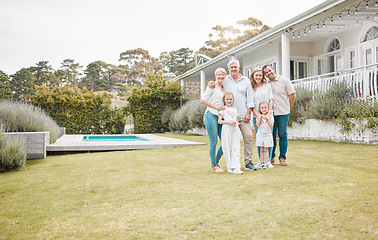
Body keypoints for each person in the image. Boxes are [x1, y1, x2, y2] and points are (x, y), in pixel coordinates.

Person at [208, 59, 256, 171]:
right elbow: (217, 83)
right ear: (229, 69)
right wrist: (211, 83)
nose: (234, 69)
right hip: (228, 117)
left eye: (235, 67)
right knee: (226, 141)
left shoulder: (246, 81)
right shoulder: (225, 80)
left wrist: (249, 113)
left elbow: (250, 99)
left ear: (239, 68)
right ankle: (215, 163)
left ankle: (248, 162)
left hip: (243, 116)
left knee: (248, 137)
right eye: (231, 67)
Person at [262, 65, 296, 166]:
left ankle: (282, 158)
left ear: (273, 69)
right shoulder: (266, 84)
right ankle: (271, 157)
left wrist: (288, 107)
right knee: (271, 135)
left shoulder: (284, 80)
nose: (269, 73)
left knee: (282, 134)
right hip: (271, 113)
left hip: (283, 112)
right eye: (266, 73)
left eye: (269, 70)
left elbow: (292, 95)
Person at [200, 68, 227, 173]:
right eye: (219, 74)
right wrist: (216, 107)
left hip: (221, 116)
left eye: (223, 74)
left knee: (225, 141)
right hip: (211, 115)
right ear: (216, 75)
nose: (221, 76)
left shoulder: (224, 87)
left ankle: (215, 162)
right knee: (214, 141)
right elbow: (203, 100)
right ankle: (214, 166)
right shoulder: (212, 86)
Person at [250, 67, 274, 169]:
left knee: (268, 138)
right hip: (257, 116)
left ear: (262, 76)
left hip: (268, 115)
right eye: (256, 75)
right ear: (253, 76)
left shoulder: (267, 86)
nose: (258, 77)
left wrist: (268, 113)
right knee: (260, 139)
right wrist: (257, 115)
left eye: (260, 75)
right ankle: (261, 161)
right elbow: (251, 104)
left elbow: (271, 99)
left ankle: (268, 161)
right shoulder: (251, 88)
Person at [218, 92, 243, 174]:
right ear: (224, 100)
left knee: (235, 147)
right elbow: (219, 121)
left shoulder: (235, 109)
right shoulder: (223, 109)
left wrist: (236, 123)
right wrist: (228, 122)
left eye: (230, 99)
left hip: (234, 129)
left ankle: (236, 166)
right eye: (227, 99)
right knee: (227, 147)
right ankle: (229, 167)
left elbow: (237, 120)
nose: (229, 101)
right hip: (226, 128)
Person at [255, 101, 274, 169]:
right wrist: (259, 119)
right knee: (261, 149)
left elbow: (271, 126)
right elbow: (257, 125)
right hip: (260, 134)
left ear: (268, 108)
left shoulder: (270, 116)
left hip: (267, 135)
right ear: (260, 109)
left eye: (265, 107)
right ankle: (261, 162)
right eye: (262, 108)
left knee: (266, 149)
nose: (264, 109)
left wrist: (268, 119)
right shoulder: (259, 116)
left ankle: (266, 162)